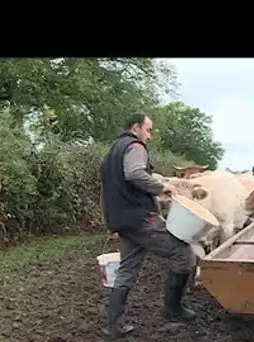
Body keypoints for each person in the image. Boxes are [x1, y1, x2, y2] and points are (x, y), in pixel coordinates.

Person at [100, 111, 197, 339]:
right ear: (136, 128)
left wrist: (111, 224)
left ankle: (114, 325)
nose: (150, 136)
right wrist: (161, 187)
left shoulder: (111, 153)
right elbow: (134, 174)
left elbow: (106, 192)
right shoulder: (135, 147)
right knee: (183, 253)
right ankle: (173, 309)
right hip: (141, 219)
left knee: (127, 270)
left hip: (124, 223)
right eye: (148, 129)